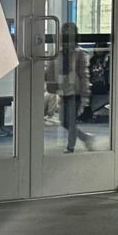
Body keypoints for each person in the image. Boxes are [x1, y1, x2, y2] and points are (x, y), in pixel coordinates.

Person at [47, 22, 94, 153]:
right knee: (64, 121)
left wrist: (85, 94)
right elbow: (51, 71)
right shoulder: (58, 52)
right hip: (63, 90)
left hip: (75, 91)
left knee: (71, 121)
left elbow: (84, 75)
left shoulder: (80, 53)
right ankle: (86, 138)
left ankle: (70, 146)